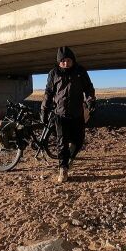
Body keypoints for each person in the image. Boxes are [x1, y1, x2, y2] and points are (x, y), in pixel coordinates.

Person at [41, 46, 96, 183]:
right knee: (62, 143)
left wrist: (90, 101)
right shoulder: (53, 73)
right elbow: (49, 92)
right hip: (60, 114)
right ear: (59, 62)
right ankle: (63, 169)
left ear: (73, 60)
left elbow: (88, 88)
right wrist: (44, 109)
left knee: (78, 141)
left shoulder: (80, 71)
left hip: (77, 113)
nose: (65, 63)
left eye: (68, 60)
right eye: (63, 61)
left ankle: (70, 158)